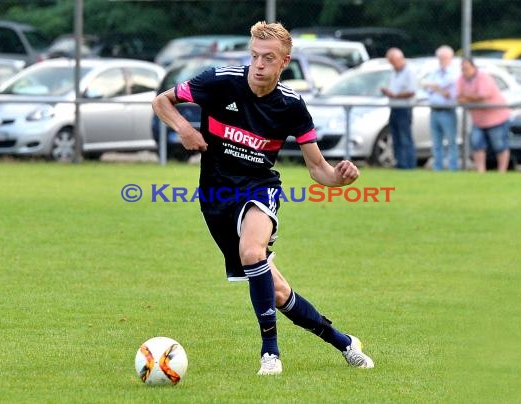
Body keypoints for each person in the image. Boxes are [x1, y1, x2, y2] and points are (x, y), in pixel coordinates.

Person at [152, 21, 374, 375]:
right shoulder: (220, 81)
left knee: (252, 252)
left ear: (284, 61)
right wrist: (184, 128)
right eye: (254, 56)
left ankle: (270, 352)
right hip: (216, 196)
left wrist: (340, 178)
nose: (258, 64)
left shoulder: (291, 105)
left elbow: (318, 169)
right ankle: (344, 342)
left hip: (260, 188)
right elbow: (162, 100)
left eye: (268, 58)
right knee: (279, 291)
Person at [457, 57, 511, 173]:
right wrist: (471, 98)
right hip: (479, 121)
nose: (464, 71)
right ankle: (481, 171)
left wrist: (467, 97)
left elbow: (483, 96)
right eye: (462, 69)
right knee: (477, 144)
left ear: (474, 67)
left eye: (466, 68)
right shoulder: (461, 79)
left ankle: (502, 172)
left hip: (497, 118)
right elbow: (458, 96)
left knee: (499, 145)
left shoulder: (484, 78)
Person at [423, 45, 459, 171]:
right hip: (434, 110)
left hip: (447, 111)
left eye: (445, 58)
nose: (442, 61)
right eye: (440, 58)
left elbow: (447, 89)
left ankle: (453, 167)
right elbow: (425, 85)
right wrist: (439, 89)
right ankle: (437, 167)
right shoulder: (435, 72)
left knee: (451, 142)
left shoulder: (454, 73)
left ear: (450, 58)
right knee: (436, 142)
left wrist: (435, 87)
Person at [381, 47, 418, 169]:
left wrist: (395, 95)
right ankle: (400, 163)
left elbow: (411, 91)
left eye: (393, 61)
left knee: (405, 137)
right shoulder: (395, 72)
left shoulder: (409, 72)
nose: (392, 64)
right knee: (395, 137)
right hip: (394, 108)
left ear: (399, 59)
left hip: (404, 108)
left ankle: (409, 164)